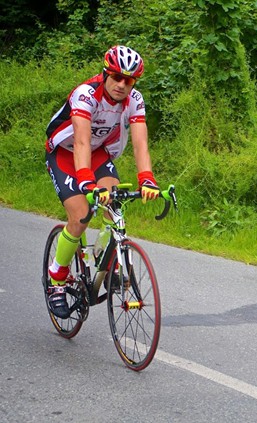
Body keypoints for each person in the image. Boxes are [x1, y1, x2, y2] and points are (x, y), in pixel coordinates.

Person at [45, 45, 160, 318]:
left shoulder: (135, 100)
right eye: (117, 77)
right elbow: (82, 140)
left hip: (97, 153)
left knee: (115, 204)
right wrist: (85, 182)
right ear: (106, 73)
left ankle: (109, 262)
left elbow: (141, 145)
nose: (122, 84)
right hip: (65, 153)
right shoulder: (85, 94)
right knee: (81, 215)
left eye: (128, 80)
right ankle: (57, 279)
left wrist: (147, 179)